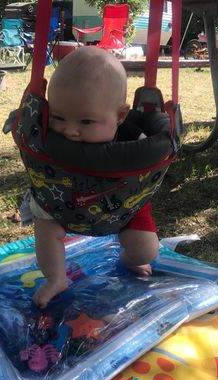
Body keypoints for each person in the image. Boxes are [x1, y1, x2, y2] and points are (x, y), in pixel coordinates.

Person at [24, 47, 160, 308]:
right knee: (46, 229)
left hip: (125, 205)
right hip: (59, 203)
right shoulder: (48, 138)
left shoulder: (136, 140)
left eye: (86, 122)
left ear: (120, 116)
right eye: (58, 117)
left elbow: (156, 152)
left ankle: (130, 259)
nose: (70, 131)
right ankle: (56, 277)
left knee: (146, 250)